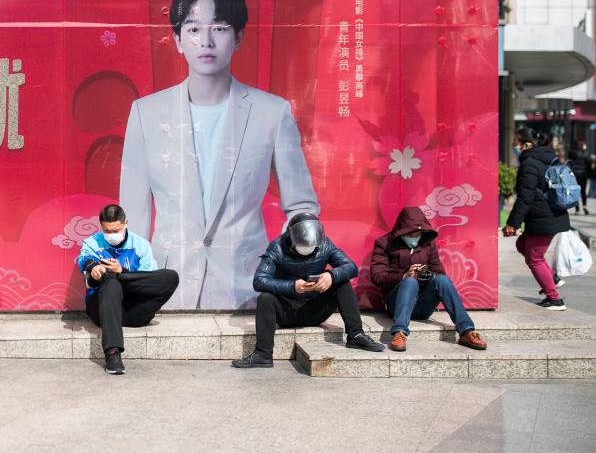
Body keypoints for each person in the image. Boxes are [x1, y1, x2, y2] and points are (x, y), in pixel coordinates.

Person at [120, 0, 319, 310]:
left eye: (220, 28)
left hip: (248, 287)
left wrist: (289, 264)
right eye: (194, 29)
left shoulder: (272, 112)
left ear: (239, 36)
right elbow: (134, 213)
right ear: (178, 39)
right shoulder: (146, 113)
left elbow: (301, 207)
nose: (206, 41)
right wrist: (133, 285)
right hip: (169, 287)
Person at [232, 212, 384, 368]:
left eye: (311, 248)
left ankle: (356, 335)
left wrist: (331, 275)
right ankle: (263, 355)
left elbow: (351, 267)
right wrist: (292, 286)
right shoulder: (277, 247)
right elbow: (259, 281)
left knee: (342, 283)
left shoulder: (325, 244)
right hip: (287, 312)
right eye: (302, 248)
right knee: (265, 298)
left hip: (315, 309)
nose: (307, 251)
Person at [76, 204, 180, 375]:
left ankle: (116, 276)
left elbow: (147, 283)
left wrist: (122, 273)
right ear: (101, 226)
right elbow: (83, 259)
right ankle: (112, 353)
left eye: (115, 230)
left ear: (126, 223)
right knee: (110, 283)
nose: (111, 235)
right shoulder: (92, 243)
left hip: (134, 311)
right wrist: (94, 269)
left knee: (170, 277)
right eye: (107, 231)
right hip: (102, 310)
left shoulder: (141, 245)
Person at [370, 207, 487, 352]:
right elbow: (377, 277)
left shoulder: (427, 242)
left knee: (442, 280)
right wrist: (403, 276)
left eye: (418, 233)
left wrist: (429, 276)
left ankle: (466, 331)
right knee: (410, 281)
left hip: (422, 306)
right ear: (402, 230)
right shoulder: (384, 243)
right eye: (411, 233)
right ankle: (399, 332)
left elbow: (439, 271)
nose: (415, 236)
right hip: (396, 305)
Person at [502, 128, 568, 310]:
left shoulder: (529, 164)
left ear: (526, 144)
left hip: (543, 217)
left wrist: (512, 223)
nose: (514, 146)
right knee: (522, 245)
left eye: (515, 141)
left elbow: (526, 197)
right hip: (549, 214)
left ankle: (554, 298)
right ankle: (552, 278)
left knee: (534, 257)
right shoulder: (545, 158)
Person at [568, 139, 590, 214]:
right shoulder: (586, 153)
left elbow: (569, 163)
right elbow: (588, 164)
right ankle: (584, 206)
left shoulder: (572, 153)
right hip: (583, 175)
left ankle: (577, 209)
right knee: (583, 191)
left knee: (575, 191)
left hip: (575, 175)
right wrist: (588, 173)